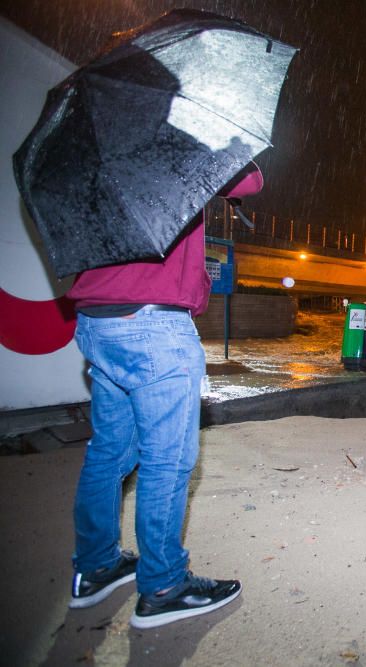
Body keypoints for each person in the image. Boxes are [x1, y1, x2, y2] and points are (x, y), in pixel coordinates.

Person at [65, 162, 263, 629]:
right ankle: (163, 586)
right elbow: (249, 181)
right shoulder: (170, 139)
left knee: (109, 451)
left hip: (97, 318)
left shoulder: (97, 156)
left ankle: (95, 568)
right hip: (155, 325)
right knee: (167, 461)